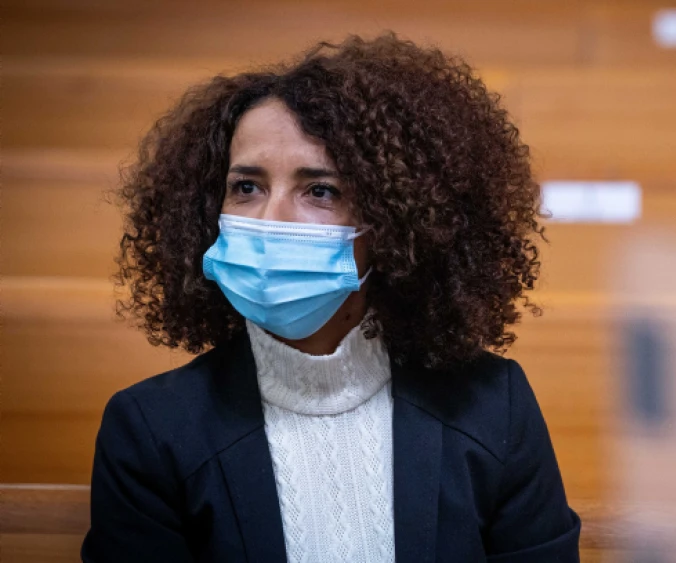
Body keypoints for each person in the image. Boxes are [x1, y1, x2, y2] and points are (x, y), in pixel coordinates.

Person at [81, 33, 581, 563]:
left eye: (320, 190)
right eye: (247, 187)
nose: (272, 219)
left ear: (396, 221)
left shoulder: (493, 407)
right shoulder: (151, 428)